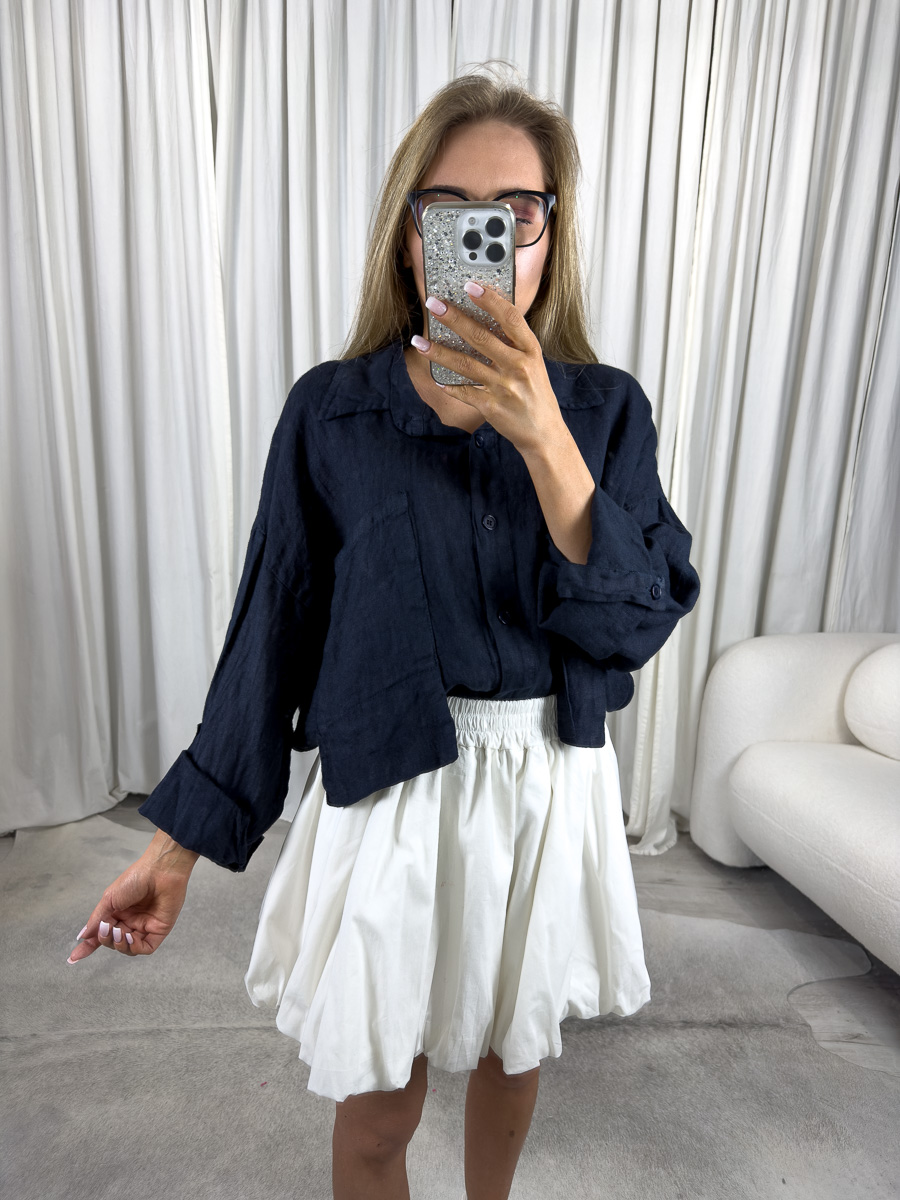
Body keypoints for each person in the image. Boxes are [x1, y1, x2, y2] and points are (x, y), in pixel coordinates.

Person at [68, 63, 700, 1200]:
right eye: (449, 209)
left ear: (550, 237)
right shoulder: (333, 410)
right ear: (410, 238)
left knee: (513, 1059)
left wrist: (543, 437)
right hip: (390, 790)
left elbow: (639, 617)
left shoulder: (605, 411)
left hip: (544, 790)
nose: (485, 236)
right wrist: (172, 853)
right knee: (375, 1116)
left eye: (517, 211)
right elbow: (270, 633)